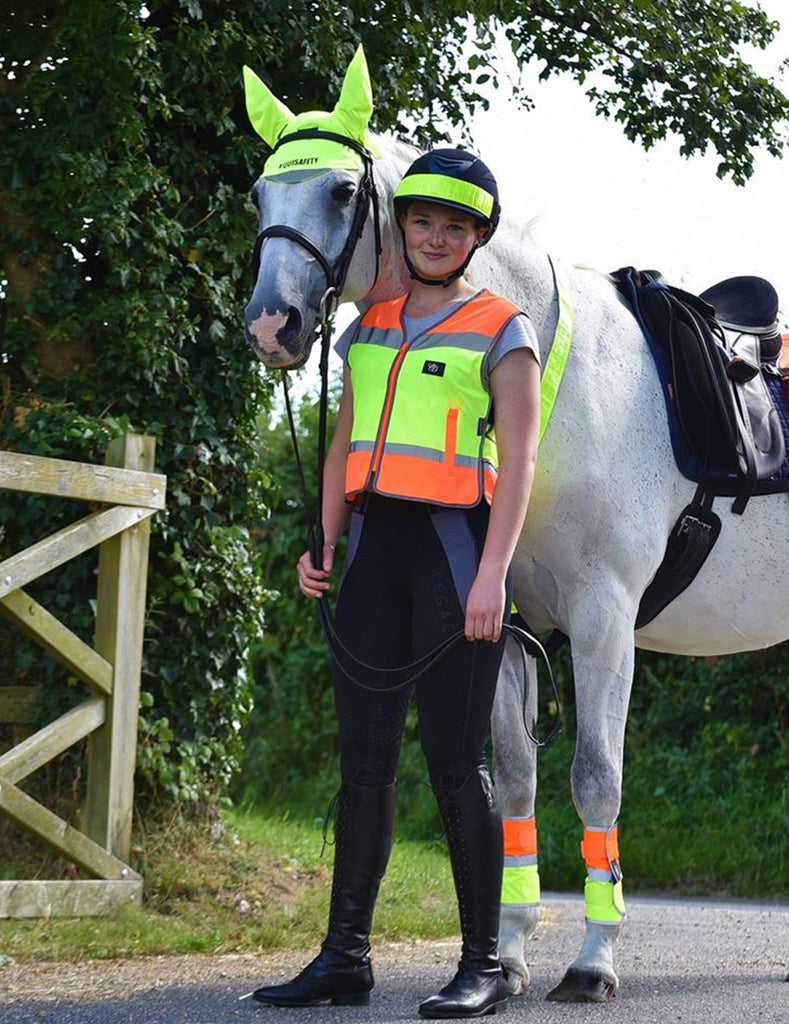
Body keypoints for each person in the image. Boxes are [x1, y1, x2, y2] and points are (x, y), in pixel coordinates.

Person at [253, 148, 541, 1018]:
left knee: (458, 768)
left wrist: (495, 575)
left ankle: (484, 963)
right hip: (375, 558)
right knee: (363, 766)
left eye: (456, 227)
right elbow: (343, 444)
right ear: (402, 226)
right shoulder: (368, 326)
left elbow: (521, 462)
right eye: (422, 221)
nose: (436, 237)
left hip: (458, 557)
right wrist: (325, 543)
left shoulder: (503, 327)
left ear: (476, 237)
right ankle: (345, 957)